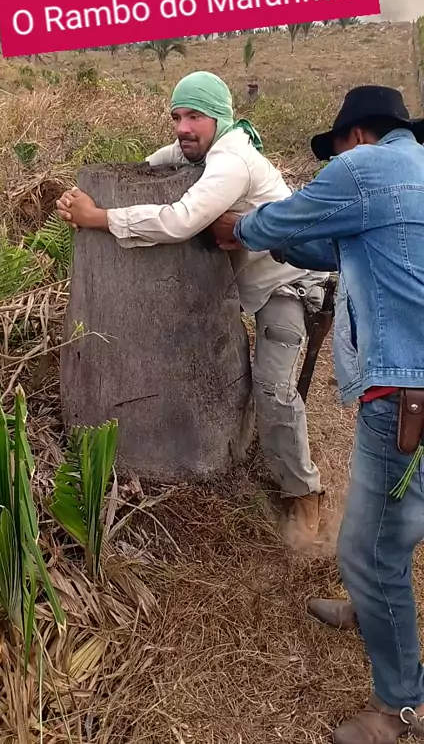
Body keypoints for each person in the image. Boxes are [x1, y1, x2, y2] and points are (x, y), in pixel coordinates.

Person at [211, 84, 424, 744]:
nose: (335, 162)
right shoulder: (411, 174)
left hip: (405, 394)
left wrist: (238, 229)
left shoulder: (365, 168)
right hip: (407, 389)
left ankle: (401, 707)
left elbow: (280, 222)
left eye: (334, 152)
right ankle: (371, 609)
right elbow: (328, 249)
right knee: (389, 526)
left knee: (369, 550)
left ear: (354, 137)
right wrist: (283, 244)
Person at [56, 70, 329, 549]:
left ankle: (305, 494)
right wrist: (111, 185)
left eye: (195, 116)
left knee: (273, 387)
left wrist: (98, 215)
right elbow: (162, 159)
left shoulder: (231, 161)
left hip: (288, 284)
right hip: (255, 286)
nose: (183, 127)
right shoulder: (209, 147)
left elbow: (180, 220)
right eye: (177, 116)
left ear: (220, 117)